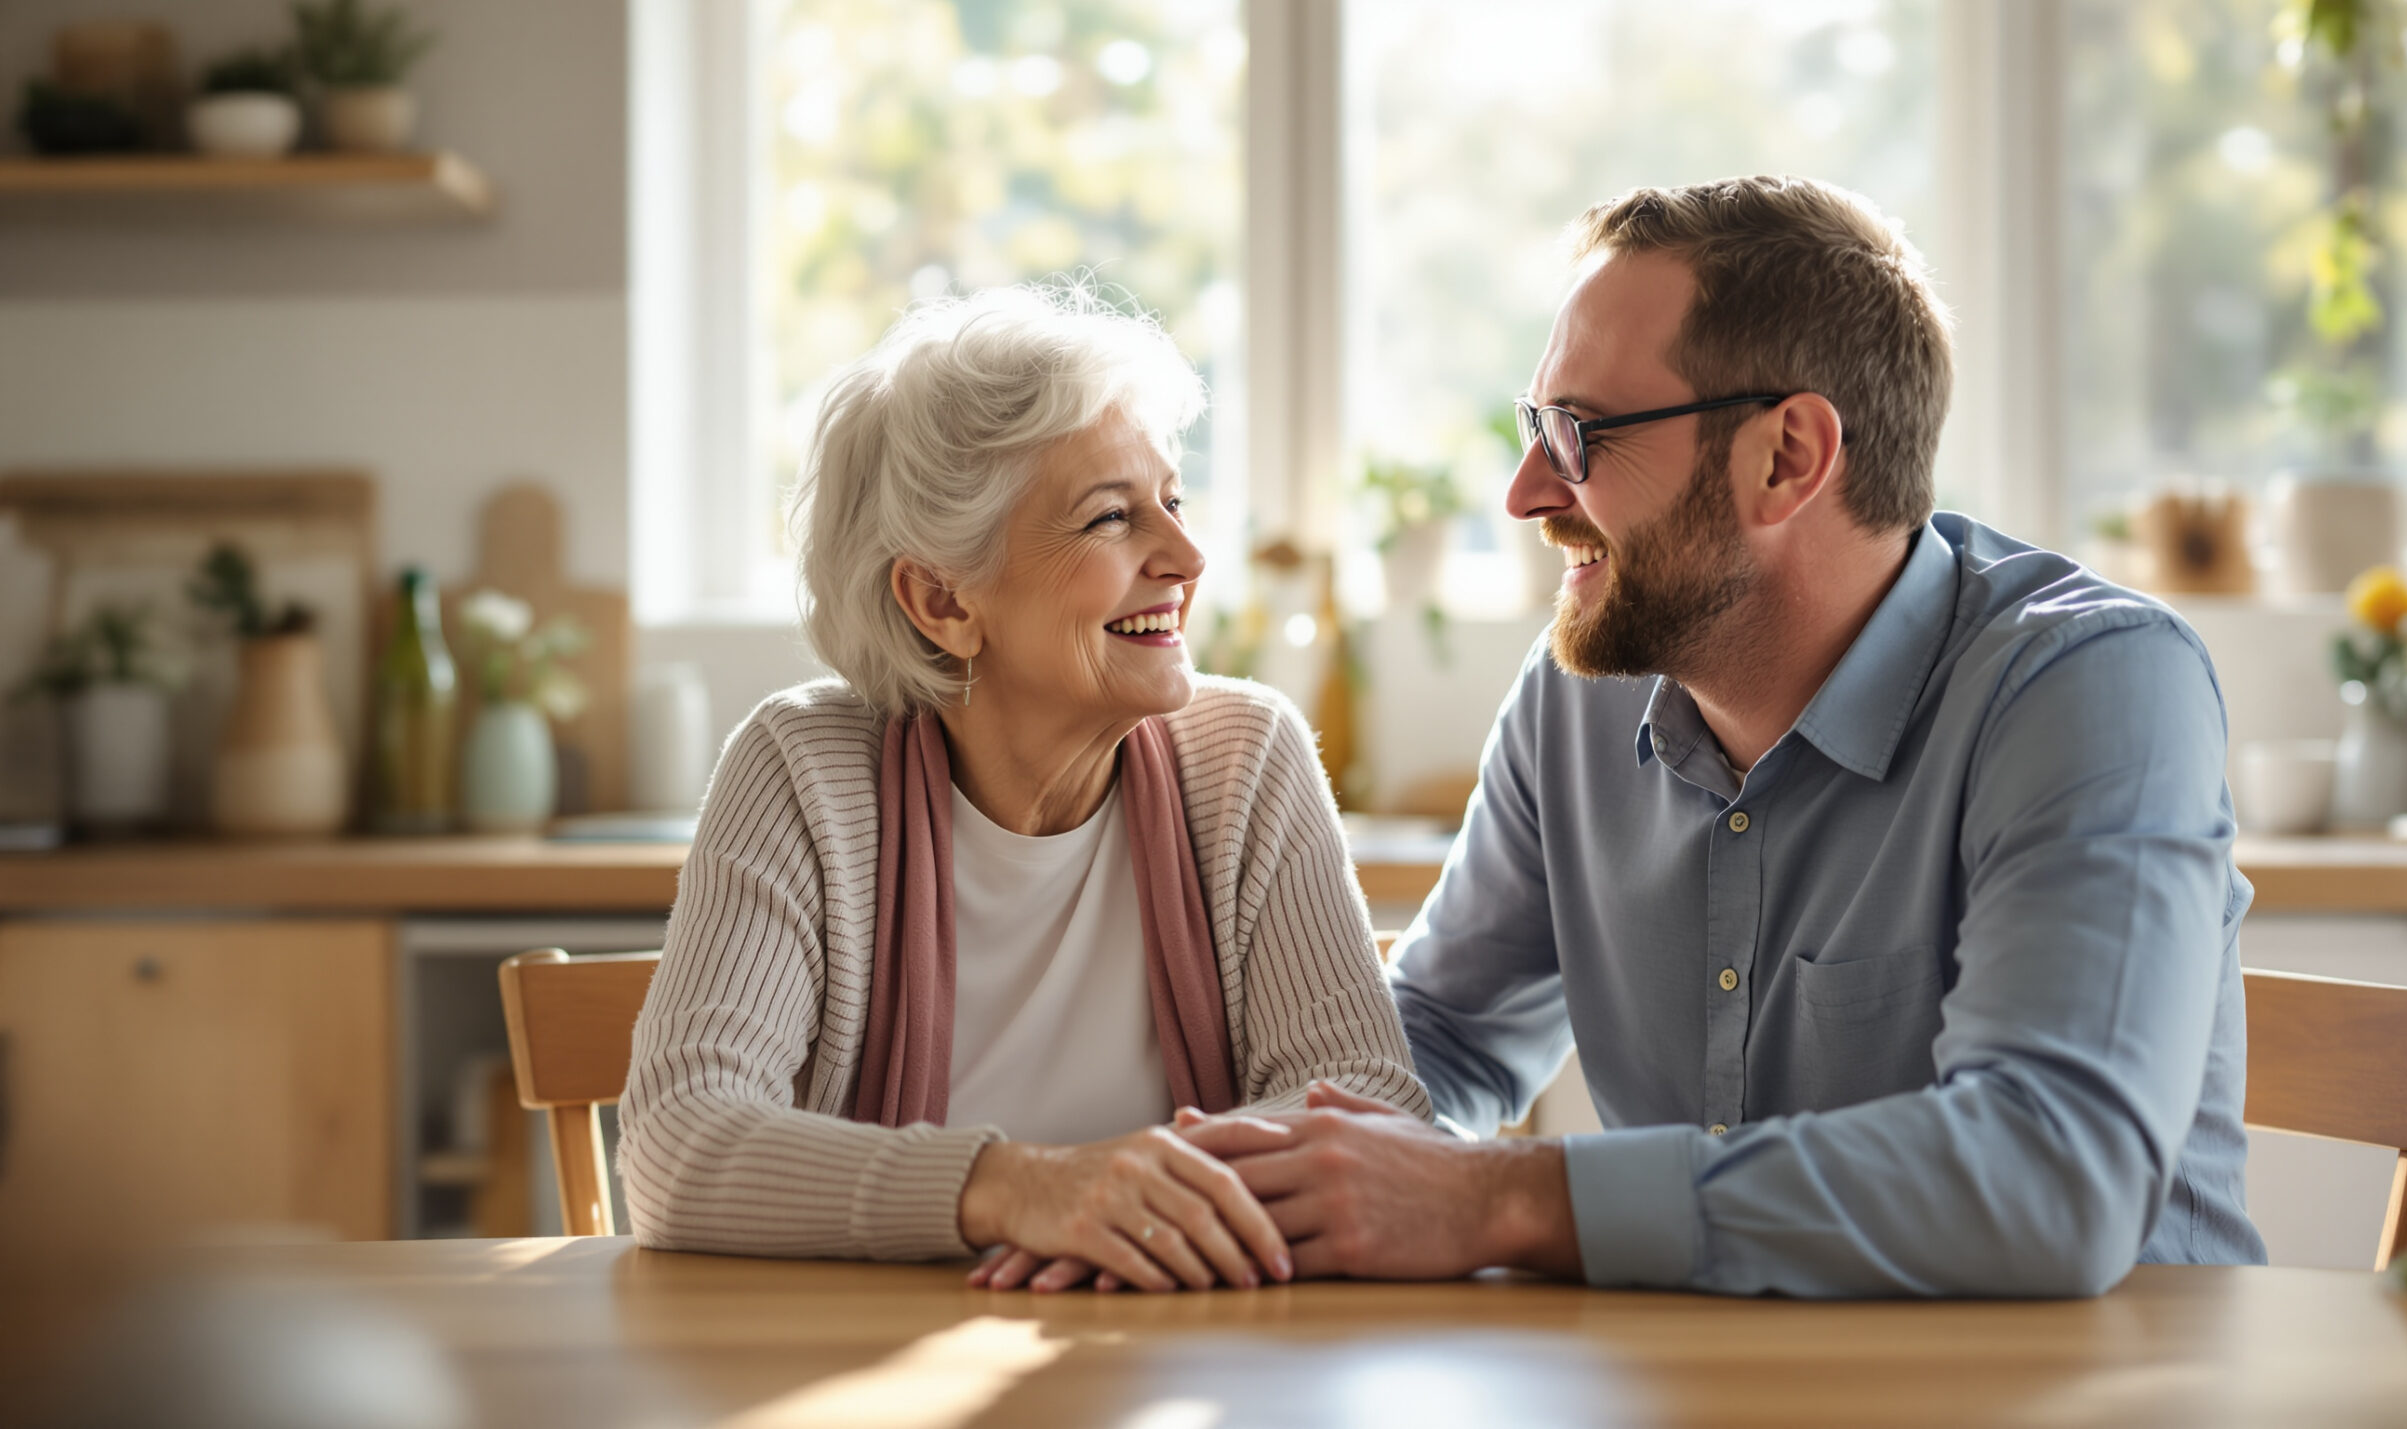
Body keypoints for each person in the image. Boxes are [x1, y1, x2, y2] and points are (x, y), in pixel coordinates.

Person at [1179, 176, 2268, 1297]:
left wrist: (1502, 1199)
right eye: (1533, 426)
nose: (1521, 492)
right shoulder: (1579, 695)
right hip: (1708, 1385)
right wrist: (1231, 1182)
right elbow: (1442, 1040)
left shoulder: (2089, 683)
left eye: (1578, 433)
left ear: (1787, 456)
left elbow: (2050, 1178)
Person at [619, 285, 1429, 1295]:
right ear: (942, 599)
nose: (1184, 557)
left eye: (1171, 502)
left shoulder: (1246, 755)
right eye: (1110, 518)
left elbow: (1367, 1104)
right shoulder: (801, 771)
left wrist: (1127, 1199)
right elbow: (678, 1144)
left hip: (1194, 1359)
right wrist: (1019, 1188)